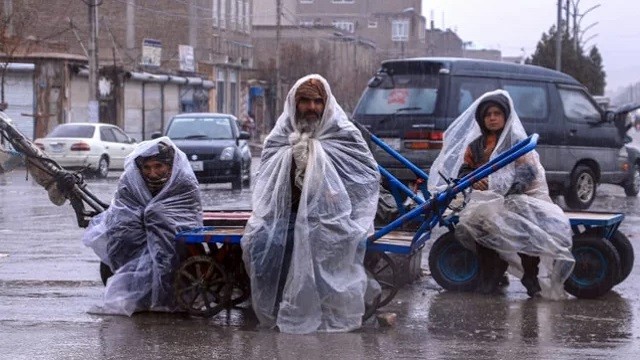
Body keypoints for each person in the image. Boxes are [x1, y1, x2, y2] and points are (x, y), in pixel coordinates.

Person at [241, 74, 381, 334]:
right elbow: (264, 182)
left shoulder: (345, 135)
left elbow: (365, 179)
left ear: (326, 103)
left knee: (323, 242)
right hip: (287, 216)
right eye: (305, 101)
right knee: (260, 243)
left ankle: (324, 308)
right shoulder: (279, 135)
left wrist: (335, 192)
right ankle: (275, 307)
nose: (312, 107)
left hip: (333, 218)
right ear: (294, 104)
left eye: (318, 101)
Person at [428, 90, 575, 299]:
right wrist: (474, 181)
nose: (493, 118)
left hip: (516, 198)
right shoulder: (476, 146)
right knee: (481, 227)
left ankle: (530, 277)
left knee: (527, 230)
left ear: (505, 117)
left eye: (497, 113)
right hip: (486, 201)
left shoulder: (516, 143)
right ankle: (492, 273)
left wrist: (505, 190)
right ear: (482, 119)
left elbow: (527, 172)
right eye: (488, 115)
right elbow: (465, 171)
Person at [82, 137, 203, 315]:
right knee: (121, 232)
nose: (152, 173)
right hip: (136, 230)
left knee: (160, 224)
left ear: (170, 166)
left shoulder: (183, 181)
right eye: (147, 168)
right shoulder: (130, 180)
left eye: (158, 167)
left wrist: (154, 214)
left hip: (173, 231)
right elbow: (123, 209)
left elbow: (185, 211)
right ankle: (137, 288)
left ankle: (165, 288)